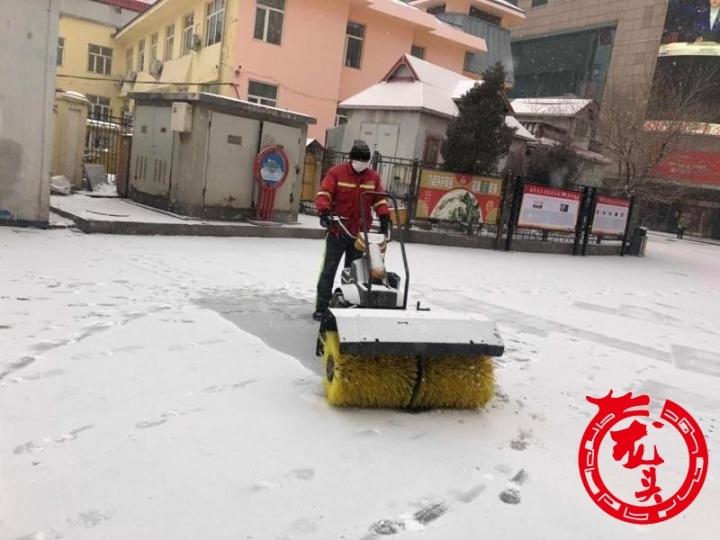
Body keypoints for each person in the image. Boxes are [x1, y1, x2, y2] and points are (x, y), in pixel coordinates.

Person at [313, 140, 391, 321]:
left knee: (354, 272)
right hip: (338, 230)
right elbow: (324, 193)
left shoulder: (373, 177)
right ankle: (321, 307)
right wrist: (324, 212)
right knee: (328, 271)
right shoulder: (336, 173)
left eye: (365, 161)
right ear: (351, 159)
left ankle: (348, 305)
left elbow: (379, 200)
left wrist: (385, 218)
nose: (361, 164)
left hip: (360, 234)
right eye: (358, 161)